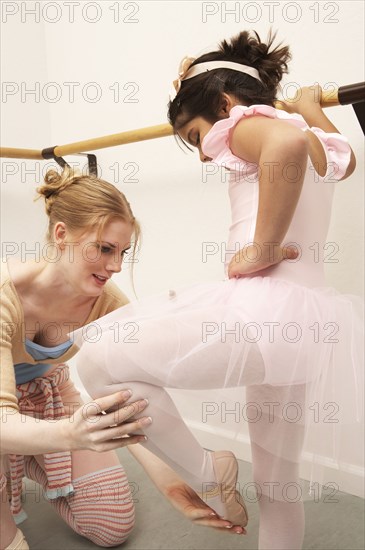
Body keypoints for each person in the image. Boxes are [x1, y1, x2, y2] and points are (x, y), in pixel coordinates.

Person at [73, 29, 364, 550]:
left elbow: (285, 141)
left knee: (97, 361)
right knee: (278, 484)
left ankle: (209, 469)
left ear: (226, 106)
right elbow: (339, 156)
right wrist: (308, 106)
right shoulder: (319, 139)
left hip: (263, 313)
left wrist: (264, 247)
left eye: (194, 136)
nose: (205, 155)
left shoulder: (249, 123)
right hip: (305, 327)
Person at [0, 169, 242, 550]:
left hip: (50, 397)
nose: (114, 267)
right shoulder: (4, 295)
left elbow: (131, 404)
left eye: (122, 252)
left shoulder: (107, 303)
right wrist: (69, 435)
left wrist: (172, 483)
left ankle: (32, 458)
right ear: (61, 235)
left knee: (112, 527)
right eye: (104, 249)